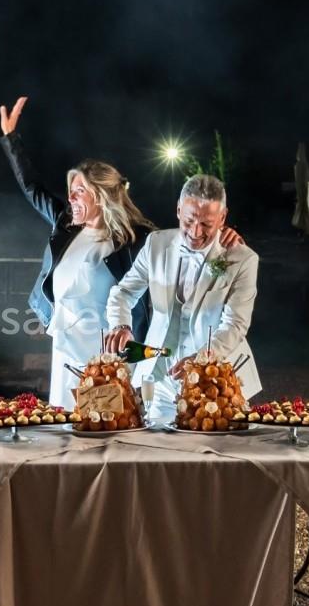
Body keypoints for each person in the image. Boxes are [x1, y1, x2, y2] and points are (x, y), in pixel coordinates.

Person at [0, 96, 157, 408]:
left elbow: (185, 242)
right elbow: (33, 189)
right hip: (66, 346)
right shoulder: (67, 224)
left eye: (79, 190)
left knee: (102, 427)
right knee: (64, 423)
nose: (70, 197)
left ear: (100, 195)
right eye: (71, 190)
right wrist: (11, 139)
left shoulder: (135, 238)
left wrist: (224, 237)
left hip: (106, 354)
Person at [104, 173, 259, 423]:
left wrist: (201, 360)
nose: (196, 232)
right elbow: (123, 292)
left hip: (216, 383)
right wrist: (121, 325)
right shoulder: (156, 244)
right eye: (189, 221)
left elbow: (235, 325)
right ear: (178, 210)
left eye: (207, 225)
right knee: (156, 452)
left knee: (214, 456)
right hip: (160, 379)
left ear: (223, 217)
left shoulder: (242, 259)